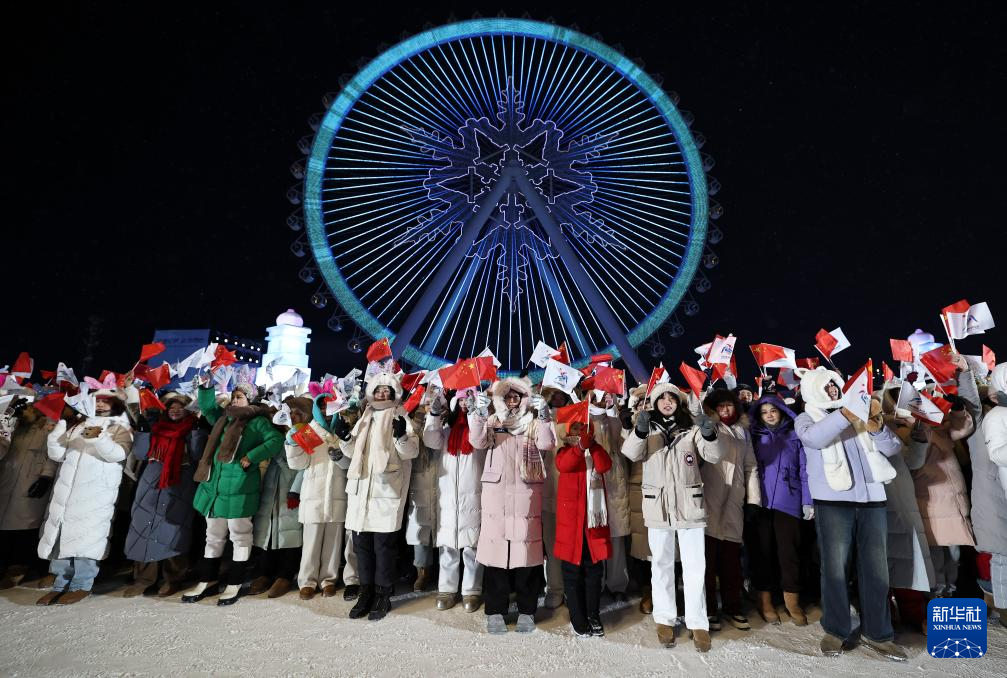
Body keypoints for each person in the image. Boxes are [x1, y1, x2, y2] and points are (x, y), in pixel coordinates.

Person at [795, 366, 906, 661]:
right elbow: (815, 439)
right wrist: (846, 412)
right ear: (814, 390)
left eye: (835, 385)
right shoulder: (807, 418)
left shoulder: (860, 414)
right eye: (827, 387)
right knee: (835, 568)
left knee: (876, 570)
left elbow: (894, 448)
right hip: (833, 502)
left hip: (872, 499)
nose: (833, 390)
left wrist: (876, 427)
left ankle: (878, 632)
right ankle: (836, 629)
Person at [621, 383, 722, 652]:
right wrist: (639, 430)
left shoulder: (690, 428)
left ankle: (698, 623)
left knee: (694, 566)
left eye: (672, 398)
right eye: (661, 398)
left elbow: (714, 455)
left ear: (679, 402)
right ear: (653, 403)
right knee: (661, 565)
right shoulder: (648, 428)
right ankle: (664, 618)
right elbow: (630, 453)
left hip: (690, 505)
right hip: (658, 506)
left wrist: (709, 433)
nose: (667, 402)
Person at [182, 381, 284, 606]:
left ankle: (235, 582)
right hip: (215, 486)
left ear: (250, 400)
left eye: (241, 397)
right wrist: (206, 388)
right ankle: (207, 580)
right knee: (213, 535)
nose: (236, 400)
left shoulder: (257, 421)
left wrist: (252, 456)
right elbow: (207, 408)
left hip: (239, 487)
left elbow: (276, 440)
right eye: (234, 396)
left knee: (240, 535)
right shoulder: (224, 417)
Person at [470, 377, 557, 634]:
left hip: (526, 493)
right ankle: (495, 610)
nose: (512, 401)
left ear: (523, 399)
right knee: (496, 556)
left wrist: (544, 416)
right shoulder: (494, 421)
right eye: (508, 397)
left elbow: (547, 444)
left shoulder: (532, 422)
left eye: (516, 397)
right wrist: (477, 413)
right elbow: (477, 441)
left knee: (527, 556)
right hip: (497, 494)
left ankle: (527, 611)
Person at [36, 380, 134, 605]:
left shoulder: (119, 426)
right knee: (61, 534)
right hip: (68, 490)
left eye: (106, 400)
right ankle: (60, 582)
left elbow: (118, 454)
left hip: (96, 491)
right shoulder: (78, 424)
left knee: (87, 536)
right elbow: (58, 455)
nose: (100, 404)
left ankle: (82, 583)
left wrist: (99, 439)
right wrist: (57, 434)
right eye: (97, 400)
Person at [335, 373, 418, 621]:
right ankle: (366, 591)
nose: (382, 394)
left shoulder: (400, 415)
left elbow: (410, 452)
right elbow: (353, 452)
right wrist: (345, 438)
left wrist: (401, 436)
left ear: (394, 393)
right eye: (379, 390)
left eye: (387, 391)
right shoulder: (365, 417)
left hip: (385, 489)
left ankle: (383, 593)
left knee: (383, 547)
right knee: (362, 546)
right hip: (361, 491)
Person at [123, 392, 207, 598]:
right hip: (152, 480)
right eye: (171, 406)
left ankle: (173, 578)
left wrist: (197, 431)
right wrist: (143, 431)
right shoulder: (157, 427)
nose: (175, 410)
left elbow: (197, 454)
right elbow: (142, 454)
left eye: (180, 407)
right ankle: (144, 578)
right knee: (144, 527)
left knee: (174, 530)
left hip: (180, 481)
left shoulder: (192, 428)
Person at [907, 377, 976, 599]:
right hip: (933, 505)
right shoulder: (913, 430)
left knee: (953, 556)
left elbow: (961, 429)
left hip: (952, 505)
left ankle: (950, 595)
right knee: (936, 557)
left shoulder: (941, 429)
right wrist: (921, 431)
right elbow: (913, 464)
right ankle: (937, 600)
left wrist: (956, 409)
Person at [748, 394, 813, 626]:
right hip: (761, 502)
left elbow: (805, 470)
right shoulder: (753, 436)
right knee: (762, 552)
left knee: (789, 553)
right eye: (764, 412)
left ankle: (791, 600)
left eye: (773, 411)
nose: (769, 416)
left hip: (789, 501)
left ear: (781, 411)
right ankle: (764, 600)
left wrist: (807, 500)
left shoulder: (795, 435)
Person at [701, 388, 761, 632]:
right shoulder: (707, 429)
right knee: (707, 559)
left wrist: (753, 500)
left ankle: (733, 605)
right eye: (721, 406)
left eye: (730, 406)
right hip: (709, 497)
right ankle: (708, 608)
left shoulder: (742, 432)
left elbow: (751, 467)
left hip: (734, 499)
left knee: (731, 559)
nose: (726, 410)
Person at [423, 387, 485, 612]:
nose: (463, 405)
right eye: (460, 402)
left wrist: (474, 412)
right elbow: (430, 440)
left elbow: (480, 441)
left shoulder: (480, 429)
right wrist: (434, 414)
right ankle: (447, 588)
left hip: (474, 495)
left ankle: (472, 590)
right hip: (448, 494)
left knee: (472, 544)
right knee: (448, 543)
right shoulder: (446, 431)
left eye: (467, 401)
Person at [285, 395, 349, 599]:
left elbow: (351, 464)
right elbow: (299, 464)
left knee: (333, 540)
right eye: (322, 405)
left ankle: (328, 579)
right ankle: (307, 581)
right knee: (311, 541)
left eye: (330, 405)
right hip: (314, 492)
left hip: (338, 493)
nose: (326, 409)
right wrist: (292, 444)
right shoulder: (308, 430)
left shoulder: (343, 429)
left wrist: (341, 458)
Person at [554, 420, 612, 637]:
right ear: (569, 432)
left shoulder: (596, 450)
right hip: (571, 524)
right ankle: (578, 617)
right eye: (576, 428)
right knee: (572, 573)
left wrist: (593, 446)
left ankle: (593, 614)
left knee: (594, 572)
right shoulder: (565, 451)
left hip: (593, 523)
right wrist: (580, 448)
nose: (581, 432)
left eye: (585, 428)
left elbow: (605, 465)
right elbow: (564, 465)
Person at [249, 394, 304, 600]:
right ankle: (264, 572)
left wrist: (296, 489)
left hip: (291, 486)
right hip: (271, 485)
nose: (293, 417)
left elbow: (304, 465)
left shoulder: (304, 433)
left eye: (297, 413)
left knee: (290, 530)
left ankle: (285, 574)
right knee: (267, 528)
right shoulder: (275, 433)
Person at [0, 397, 59, 588]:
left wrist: (46, 476)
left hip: (31, 478)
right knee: (5, 525)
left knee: (27, 525)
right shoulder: (17, 423)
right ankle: (8, 565)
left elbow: (51, 454)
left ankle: (24, 566)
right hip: (9, 477)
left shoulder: (49, 424)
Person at [588, 390, 630, 602]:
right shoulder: (582, 415)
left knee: (616, 535)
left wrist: (613, 411)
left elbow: (621, 442)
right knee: (596, 532)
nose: (599, 401)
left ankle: (617, 583)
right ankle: (598, 581)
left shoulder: (613, 417)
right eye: (595, 397)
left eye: (603, 397)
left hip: (614, 478)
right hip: (592, 478)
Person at [976, 362, 1007, 624]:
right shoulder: (995, 416)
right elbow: (996, 453)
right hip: (999, 492)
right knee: (1001, 555)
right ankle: (1003, 605)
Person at [541, 386, 570, 609]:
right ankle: (554, 587)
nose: (558, 397)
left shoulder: (576, 414)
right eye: (553, 393)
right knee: (551, 545)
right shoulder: (539, 417)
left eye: (562, 392)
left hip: (571, 489)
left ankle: (571, 587)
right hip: (547, 487)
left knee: (571, 543)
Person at [405, 399, 438, 593]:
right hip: (420, 477)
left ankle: (445, 570)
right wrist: (418, 420)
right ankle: (421, 571)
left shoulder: (444, 415)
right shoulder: (414, 420)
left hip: (442, 476)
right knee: (420, 527)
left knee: (445, 528)